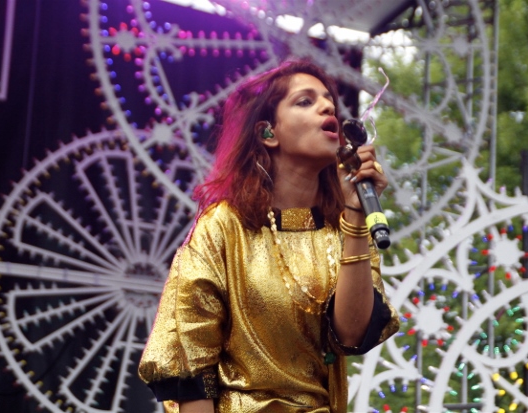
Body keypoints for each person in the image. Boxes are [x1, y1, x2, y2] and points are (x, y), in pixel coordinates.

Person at [138, 59, 399, 413]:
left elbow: (352, 336)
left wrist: (355, 214)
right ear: (267, 133)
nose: (327, 107)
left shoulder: (345, 227)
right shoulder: (223, 225)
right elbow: (190, 365)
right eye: (305, 101)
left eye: (329, 101)